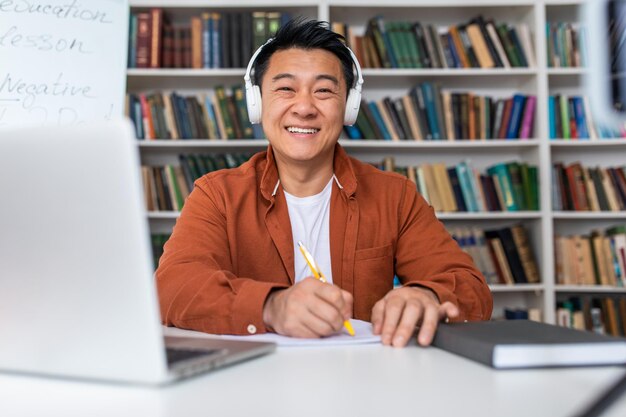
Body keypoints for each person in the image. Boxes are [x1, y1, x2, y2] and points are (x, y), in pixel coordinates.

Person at [156, 18, 493, 348]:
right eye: (286, 88)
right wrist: (270, 306)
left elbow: (470, 288)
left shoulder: (395, 195)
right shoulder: (218, 195)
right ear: (257, 103)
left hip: (363, 381)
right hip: (255, 383)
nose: (304, 107)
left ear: (349, 107)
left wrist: (427, 296)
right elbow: (173, 289)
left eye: (324, 91)